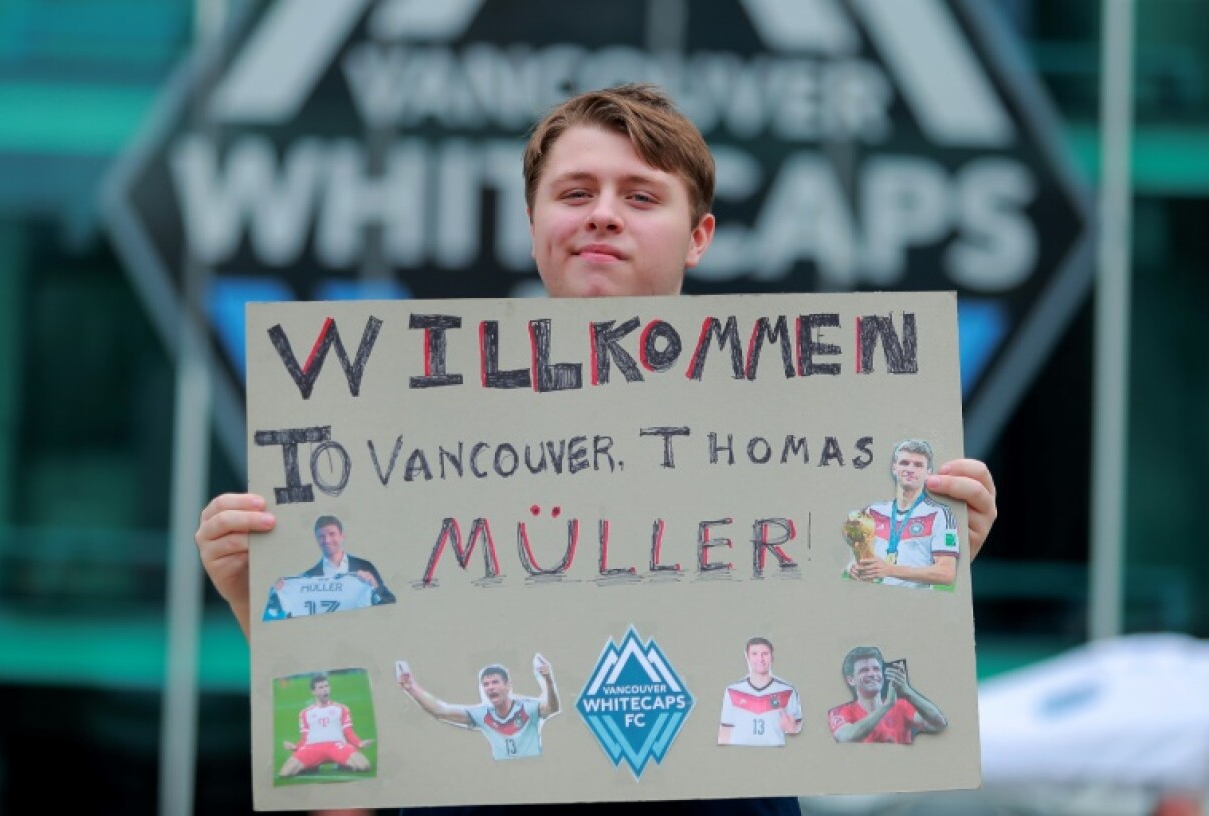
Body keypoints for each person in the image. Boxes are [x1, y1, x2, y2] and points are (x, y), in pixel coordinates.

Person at [195, 83, 999, 814]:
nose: (603, 213)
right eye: (575, 193)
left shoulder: (794, 443)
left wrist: (935, 563)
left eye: (641, 196)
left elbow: (870, 697)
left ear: (699, 235)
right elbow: (349, 800)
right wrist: (255, 604)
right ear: (535, 223)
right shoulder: (411, 444)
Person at [846, 439, 960, 589]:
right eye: (904, 463)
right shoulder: (873, 511)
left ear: (928, 473)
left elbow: (946, 573)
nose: (910, 469)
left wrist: (890, 570)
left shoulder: (940, 513)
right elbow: (857, 558)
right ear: (894, 468)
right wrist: (852, 568)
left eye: (918, 465)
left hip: (914, 606)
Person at [397, 658, 558, 760]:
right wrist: (411, 688)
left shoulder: (528, 708)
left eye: (495, 682)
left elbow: (551, 708)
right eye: (486, 684)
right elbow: (441, 711)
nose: (490, 688)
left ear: (508, 685)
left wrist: (549, 681)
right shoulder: (483, 715)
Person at [265, 515, 396, 620]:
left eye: (332, 534)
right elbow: (284, 620)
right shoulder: (307, 578)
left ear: (342, 536)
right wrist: (276, 596)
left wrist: (374, 586)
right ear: (317, 540)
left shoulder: (365, 566)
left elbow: (391, 603)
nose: (327, 540)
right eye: (321, 536)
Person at [827, 646, 946, 744]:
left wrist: (908, 692)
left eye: (876, 669)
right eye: (864, 670)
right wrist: (887, 706)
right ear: (851, 680)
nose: (873, 674)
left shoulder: (902, 706)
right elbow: (846, 739)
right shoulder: (839, 712)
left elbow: (939, 724)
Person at [279, 673, 375, 777]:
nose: (325, 689)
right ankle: (312, 766)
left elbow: (348, 732)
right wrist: (295, 747)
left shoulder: (341, 708)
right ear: (313, 692)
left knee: (364, 766)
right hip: (312, 747)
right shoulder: (305, 713)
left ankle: (341, 764)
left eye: (326, 686)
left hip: (336, 745)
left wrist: (359, 744)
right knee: (285, 773)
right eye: (321, 687)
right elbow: (305, 738)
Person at [718, 637, 802, 747]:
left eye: (765, 654)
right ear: (747, 657)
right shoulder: (732, 691)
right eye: (754, 654)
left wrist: (793, 729)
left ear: (772, 657)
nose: (760, 659)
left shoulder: (787, 691)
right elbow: (725, 730)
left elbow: (797, 727)